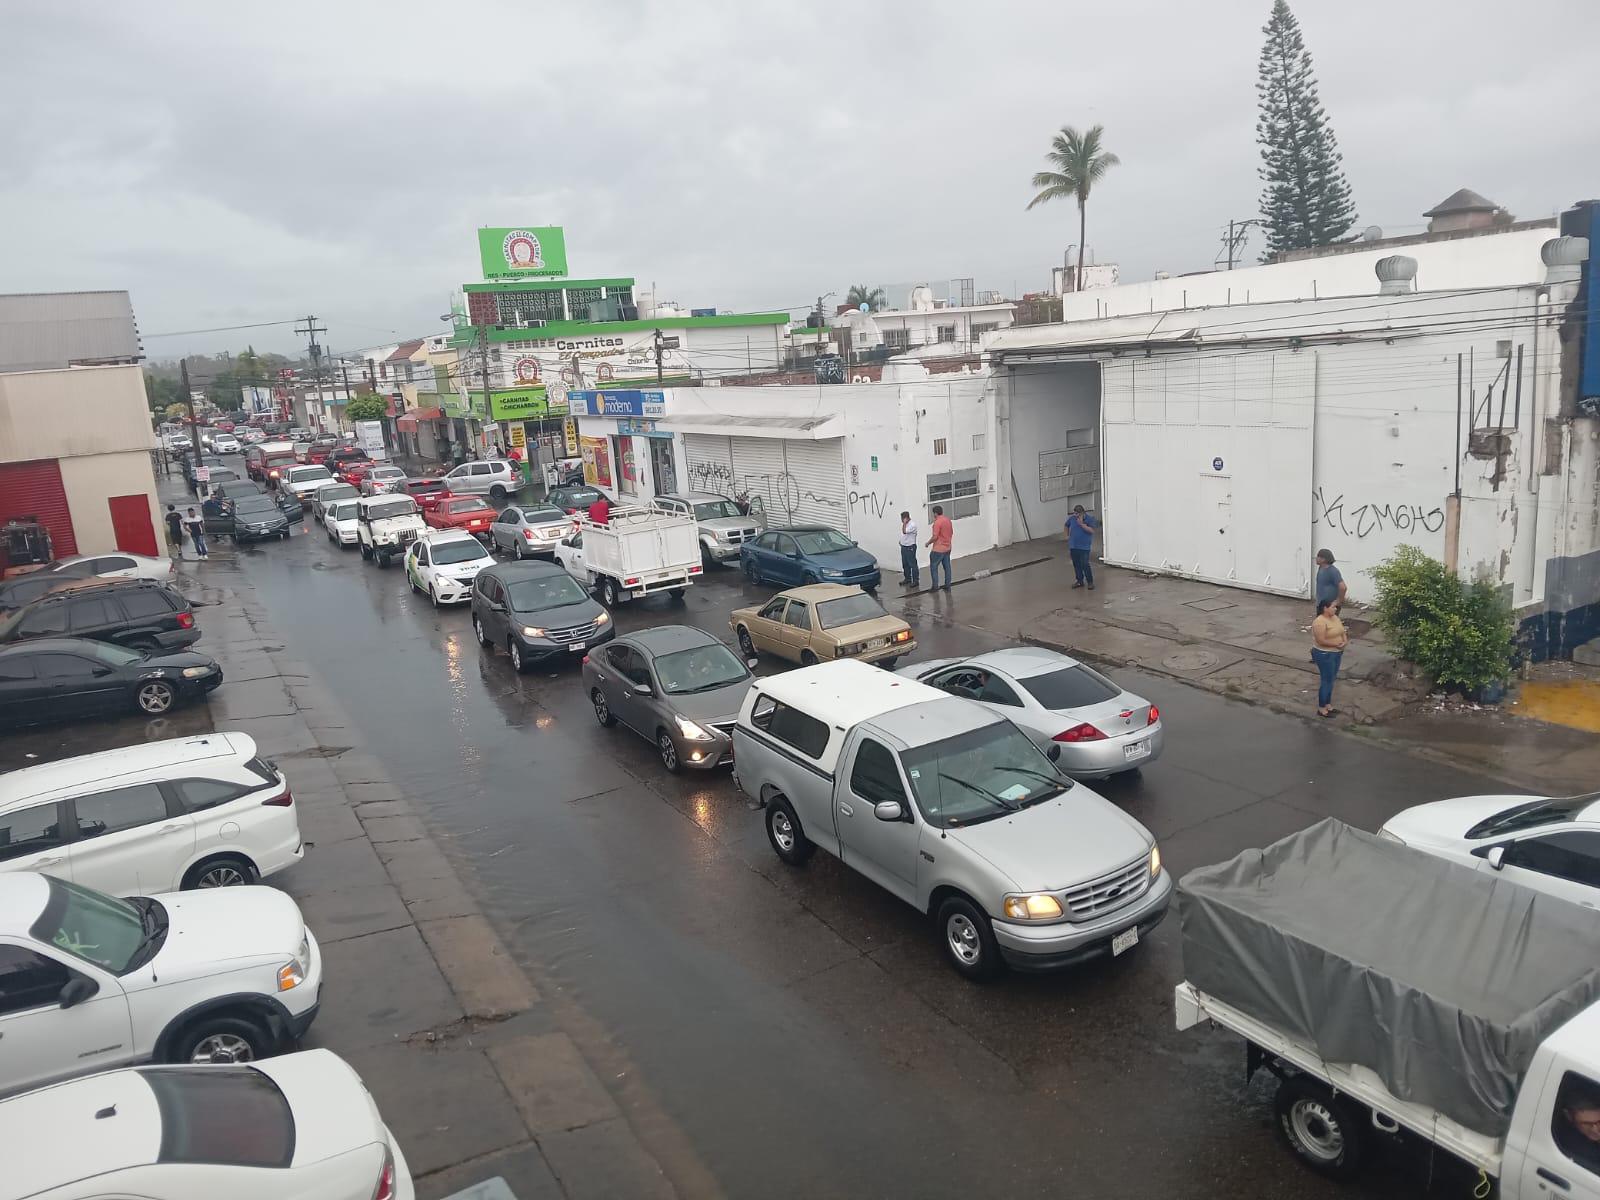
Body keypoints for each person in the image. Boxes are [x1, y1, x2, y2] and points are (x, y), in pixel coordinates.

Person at [1311, 598, 1348, 718]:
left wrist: (1344, 641)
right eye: (1333, 607)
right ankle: (1321, 708)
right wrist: (1336, 645)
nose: (1335, 609)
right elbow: (1321, 640)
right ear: (1325, 608)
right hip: (1325, 654)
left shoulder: (1335, 618)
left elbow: (1342, 631)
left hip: (1337, 653)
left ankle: (1328, 704)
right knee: (1326, 680)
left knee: (1332, 679)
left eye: (1335, 607)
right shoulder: (1319, 622)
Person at [1557, 1083, 1600, 1174]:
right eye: (1587, 1124)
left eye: (1599, 1122)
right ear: (1568, 1116)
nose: (1595, 1129)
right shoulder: (1573, 1145)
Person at [1065, 505, 1099, 590]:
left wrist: (1082, 525)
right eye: (1074, 513)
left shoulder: (1090, 519)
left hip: (1084, 547)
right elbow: (1066, 525)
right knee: (1076, 564)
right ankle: (1079, 581)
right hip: (1073, 545)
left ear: (1082, 513)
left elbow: (1092, 531)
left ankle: (1090, 582)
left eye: (1077, 514)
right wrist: (1067, 535)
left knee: (1085, 564)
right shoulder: (1072, 518)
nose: (1075, 515)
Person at [926, 505, 953, 591]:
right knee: (947, 567)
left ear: (935, 513)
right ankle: (947, 584)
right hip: (948, 547)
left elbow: (935, 537)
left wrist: (928, 543)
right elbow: (951, 532)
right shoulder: (948, 520)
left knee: (934, 567)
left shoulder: (937, 523)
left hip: (938, 549)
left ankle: (935, 586)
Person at [1315, 548, 1347, 619]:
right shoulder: (1321, 568)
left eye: (1318, 556)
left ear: (1323, 559)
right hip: (1321, 605)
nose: (1316, 558)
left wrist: (1337, 602)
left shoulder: (1333, 571)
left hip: (1330, 606)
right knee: (1321, 625)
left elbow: (1343, 587)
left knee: (1329, 627)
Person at [898, 511, 919, 588]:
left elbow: (904, 531)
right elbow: (904, 535)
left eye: (902, 519)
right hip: (904, 546)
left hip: (910, 547)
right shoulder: (906, 524)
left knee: (912, 564)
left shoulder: (912, 525)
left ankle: (916, 580)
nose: (901, 520)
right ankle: (907, 578)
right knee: (905, 564)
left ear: (905, 518)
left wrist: (904, 523)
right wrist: (901, 541)